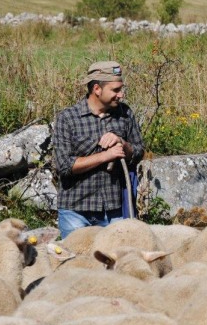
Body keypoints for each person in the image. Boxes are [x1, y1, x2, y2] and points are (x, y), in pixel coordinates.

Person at [53, 60, 144, 239]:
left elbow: (139, 151)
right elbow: (64, 166)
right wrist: (105, 156)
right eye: (115, 90)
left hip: (114, 210)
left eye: (121, 89)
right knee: (76, 264)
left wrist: (123, 144)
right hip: (75, 212)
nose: (121, 95)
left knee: (118, 263)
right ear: (97, 89)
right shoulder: (68, 118)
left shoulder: (125, 114)